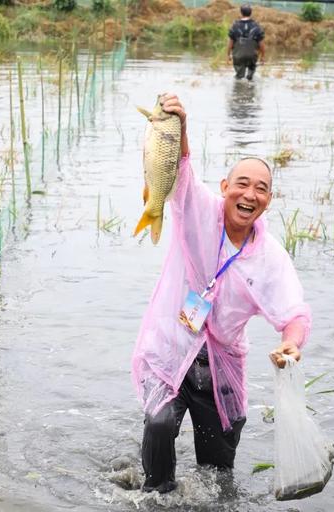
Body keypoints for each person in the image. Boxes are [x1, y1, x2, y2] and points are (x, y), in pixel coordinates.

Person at [132, 93, 310, 493]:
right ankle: (155, 494)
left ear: (268, 201)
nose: (249, 195)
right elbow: (179, 174)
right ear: (225, 186)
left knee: (219, 475)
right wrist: (179, 127)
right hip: (171, 349)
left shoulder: (270, 257)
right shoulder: (198, 209)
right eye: (242, 184)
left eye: (261, 189)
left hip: (221, 368)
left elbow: (294, 314)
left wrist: (291, 344)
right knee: (159, 426)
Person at [227, 4, 265, 80]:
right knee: (250, 77)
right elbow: (262, 44)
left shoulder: (235, 26)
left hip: (238, 56)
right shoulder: (257, 26)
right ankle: (250, 78)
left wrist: (228, 55)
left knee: (239, 77)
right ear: (251, 13)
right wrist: (263, 56)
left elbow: (230, 43)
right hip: (252, 55)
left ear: (241, 13)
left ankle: (239, 85)